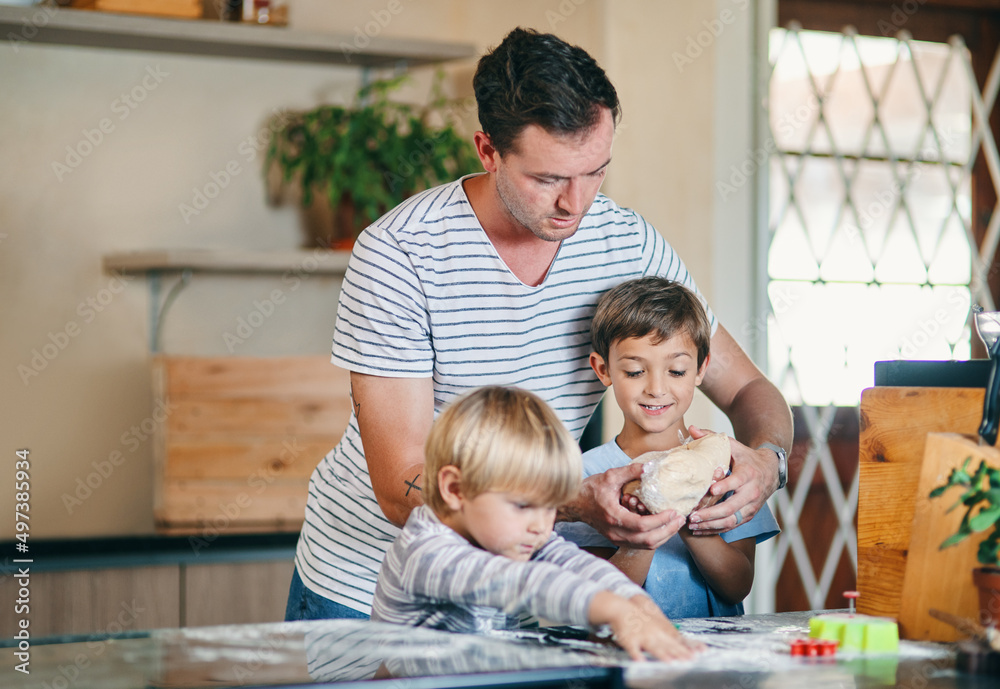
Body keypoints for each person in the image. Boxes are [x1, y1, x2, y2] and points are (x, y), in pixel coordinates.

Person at [286, 26, 792, 621]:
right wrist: (572, 500)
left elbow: (749, 389)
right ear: (488, 151)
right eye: (548, 179)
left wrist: (767, 461)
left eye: (596, 172)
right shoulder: (401, 254)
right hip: (373, 586)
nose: (574, 204)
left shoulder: (627, 242)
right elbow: (403, 486)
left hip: (524, 587)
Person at [370, 386, 702, 662]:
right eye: (523, 505)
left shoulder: (515, 532)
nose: (541, 527)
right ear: (455, 489)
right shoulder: (426, 554)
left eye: (551, 508)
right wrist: (611, 610)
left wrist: (636, 603)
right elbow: (522, 582)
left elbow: (573, 563)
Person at [557, 277, 780, 618]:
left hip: (714, 661)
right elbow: (598, 600)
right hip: (628, 658)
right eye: (634, 372)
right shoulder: (586, 478)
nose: (656, 388)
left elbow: (737, 585)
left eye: (676, 370)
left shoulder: (730, 470)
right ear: (604, 370)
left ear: (700, 369)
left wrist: (693, 516)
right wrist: (640, 533)